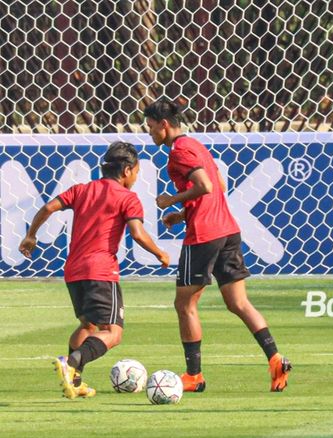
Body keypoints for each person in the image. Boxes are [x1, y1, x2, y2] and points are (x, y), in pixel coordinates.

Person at [143, 99, 292, 393]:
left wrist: (170, 201)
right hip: (227, 230)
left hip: (204, 236)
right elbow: (219, 186)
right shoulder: (196, 146)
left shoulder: (180, 152)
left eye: (150, 128)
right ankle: (275, 358)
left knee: (184, 304)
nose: (149, 134)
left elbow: (206, 186)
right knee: (238, 303)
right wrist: (183, 213)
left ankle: (193, 375)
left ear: (163, 125)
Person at [19, 142, 170, 399]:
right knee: (113, 332)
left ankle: (75, 382)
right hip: (101, 270)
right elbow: (137, 232)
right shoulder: (127, 198)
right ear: (126, 170)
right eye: (136, 172)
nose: (136, 178)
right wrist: (160, 253)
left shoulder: (82, 189)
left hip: (74, 270)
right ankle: (72, 362)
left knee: (87, 325)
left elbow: (47, 208)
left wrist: (31, 236)